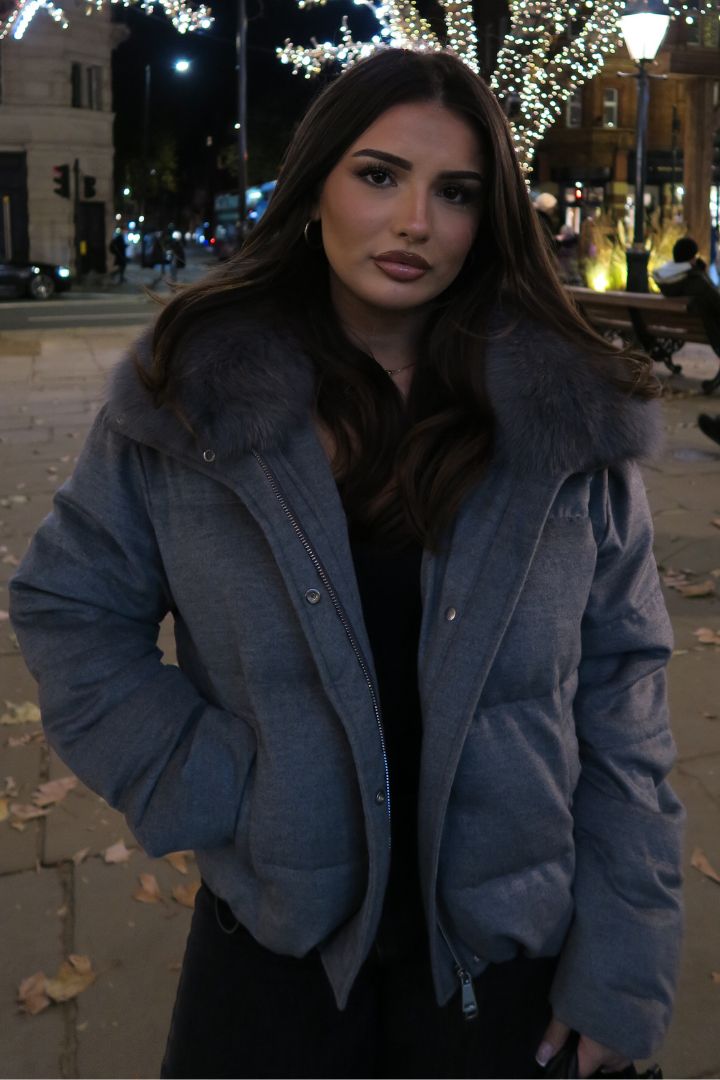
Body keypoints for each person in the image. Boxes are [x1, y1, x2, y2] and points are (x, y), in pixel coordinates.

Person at [9, 48, 683, 1080]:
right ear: (316, 182)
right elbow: (70, 606)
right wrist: (217, 786)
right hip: (275, 952)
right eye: (379, 175)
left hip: (510, 961)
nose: (416, 221)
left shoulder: (565, 419)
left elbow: (623, 692)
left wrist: (626, 962)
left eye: (455, 192)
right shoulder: (193, 392)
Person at [652, 235, 720, 395]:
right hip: (712, 330)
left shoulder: (668, 280)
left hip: (684, 328)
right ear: (691, 258)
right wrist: (700, 273)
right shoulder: (695, 280)